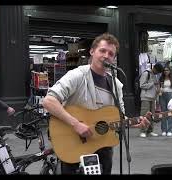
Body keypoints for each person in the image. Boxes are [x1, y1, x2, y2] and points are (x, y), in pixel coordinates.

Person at [42, 33, 150, 174]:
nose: (106, 55)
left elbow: (120, 118)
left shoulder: (116, 85)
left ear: (113, 59)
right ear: (92, 52)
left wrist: (135, 122)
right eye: (102, 50)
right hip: (75, 146)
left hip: (103, 148)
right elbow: (48, 101)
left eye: (111, 54)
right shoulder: (77, 75)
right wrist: (76, 124)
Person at [139, 62, 164, 138]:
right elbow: (141, 85)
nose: (157, 73)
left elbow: (155, 85)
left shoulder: (154, 75)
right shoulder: (146, 73)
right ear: (154, 68)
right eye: (157, 71)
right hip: (145, 97)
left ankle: (150, 131)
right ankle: (143, 131)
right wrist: (152, 84)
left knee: (152, 115)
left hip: (153, 97)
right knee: (144, 114)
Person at [158, 66, 172, 137]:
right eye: (164, 70)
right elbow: (158, 88)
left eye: (167, 70)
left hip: (170, 95)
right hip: (162, 95)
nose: (166, 71)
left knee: (170, 112)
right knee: (163, 112)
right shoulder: (161, 79)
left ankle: (169, 130)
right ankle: (163, 130)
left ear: (170, 71)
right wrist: (160, 90)